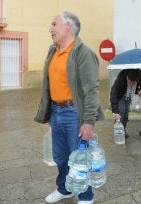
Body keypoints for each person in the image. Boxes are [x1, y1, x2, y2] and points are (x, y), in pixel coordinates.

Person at [34, 11, 104, 204]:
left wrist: (88, 122)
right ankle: (64, 189)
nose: (50, 29)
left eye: (54, 24)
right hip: (56, 112)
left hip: (74, 113)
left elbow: (91, 90)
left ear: (68, 26)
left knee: (79, 159)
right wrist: (48, 110)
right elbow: (49, 83)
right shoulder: (53, 50)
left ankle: (86, 196)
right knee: (60, 157)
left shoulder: (83, 53)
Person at [110, 69, 141, 138]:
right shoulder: (121, 78)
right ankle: (118, 131)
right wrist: (115, 111)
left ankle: (123, 129)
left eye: (133, 82)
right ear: (127, 77)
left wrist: (139, 90)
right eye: (130, 81)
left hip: (129, 96)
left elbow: (139, 84)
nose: (131, 83)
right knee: (121, 112)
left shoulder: (137, 75)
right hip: (121, 96)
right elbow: (113, 94)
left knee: (126, 115)